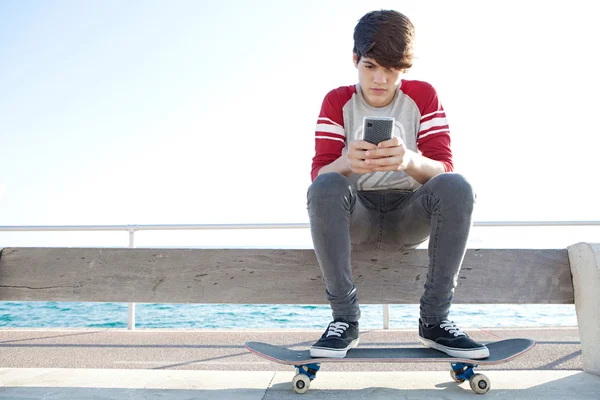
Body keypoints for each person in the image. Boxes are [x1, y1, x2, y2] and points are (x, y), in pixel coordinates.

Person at [307, 9, 489, 360]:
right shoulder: (336, 101)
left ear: (403, 68)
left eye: (391, 69)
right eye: (372, 66)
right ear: (355, 59)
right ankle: (344, 320)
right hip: (358, 216)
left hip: (409, 215)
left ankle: (435, 321)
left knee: (458, 186)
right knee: (327, 185)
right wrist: (347, 163)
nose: (380, 79)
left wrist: (409, 161)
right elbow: (318, 179)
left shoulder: (423, 96)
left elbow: (445, 170)